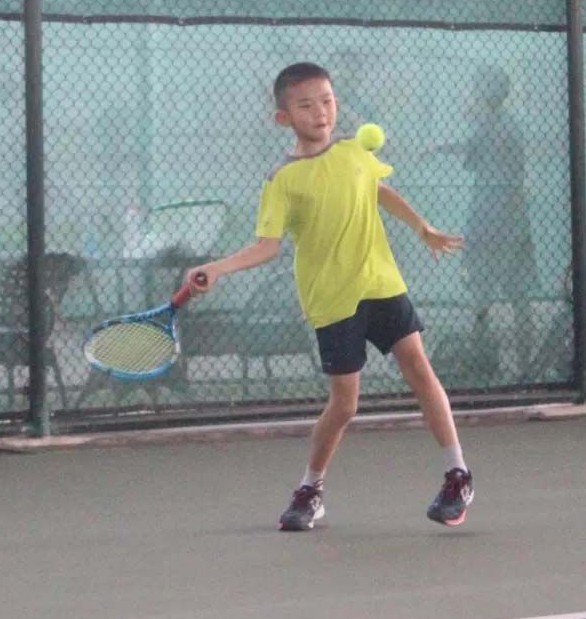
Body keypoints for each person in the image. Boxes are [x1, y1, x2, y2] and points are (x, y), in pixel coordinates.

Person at [186, 62, 473, 531]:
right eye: (306, 105)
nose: (320, 112)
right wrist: (216, 268)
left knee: (420, 370)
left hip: (381, 283)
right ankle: (311, 490)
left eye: (327, 101)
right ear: (284, 118)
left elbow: (379, 191)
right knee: (344, 405)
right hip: (332, 300)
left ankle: (457, 475)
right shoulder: (282, 180)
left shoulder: (354, 151)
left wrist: (422, 227)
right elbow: (267, 246)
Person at [422, 65, 537, 380]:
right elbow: (471, 147)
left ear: (483, 95)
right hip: (512, 220)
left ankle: (487, 365)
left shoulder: (496, 126)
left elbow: (474, 148)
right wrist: (440, 146)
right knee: (515, 294)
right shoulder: (500, 124)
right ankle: (513, 367)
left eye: (475, 89)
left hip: (492, 220)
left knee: (488, 292)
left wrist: (441, 145)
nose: (470, 95)